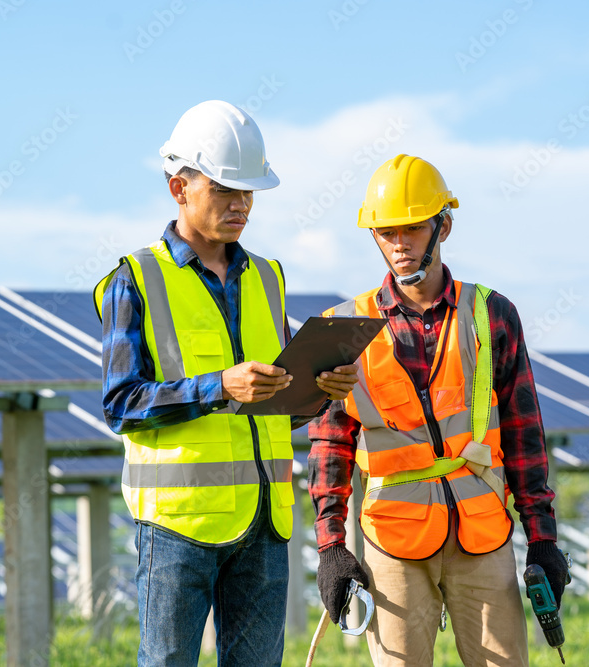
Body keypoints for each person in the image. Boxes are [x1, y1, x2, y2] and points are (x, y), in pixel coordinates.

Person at [95, 100, 358, 667]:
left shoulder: (268, 276)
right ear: (178, 189)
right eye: (224, 191)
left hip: (264, 520)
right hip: (176, 525)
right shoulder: (135, 279)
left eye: (248, 193)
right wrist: (218, 386)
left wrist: (319, 391)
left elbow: (277, 407)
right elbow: (121, 404)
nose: (241, 206)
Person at [307, 154, 569, 666]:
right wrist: (332, 546)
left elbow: (523, 432)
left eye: (410, 229)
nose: (398, 244)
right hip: (392, 542)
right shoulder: (344, 326)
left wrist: (542, 538)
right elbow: (329, 444)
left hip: (483, 536)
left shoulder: (491, 314)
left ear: (442, 226)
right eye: (385, 233)